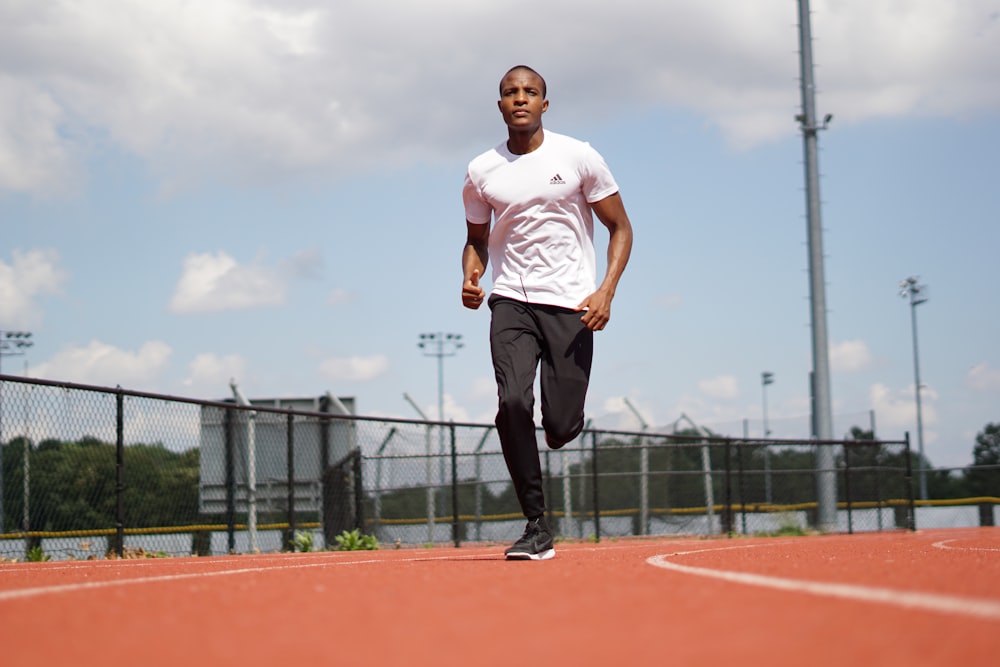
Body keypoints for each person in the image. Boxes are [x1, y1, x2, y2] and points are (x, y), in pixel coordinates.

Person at [461, 65, 634, 560]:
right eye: (510, 93)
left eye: (530, 92)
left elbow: (621, 228)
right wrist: (472, 277)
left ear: (544, 103)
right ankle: (536, 525)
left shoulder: (578, 156)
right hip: (511, 300)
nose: (520, 99)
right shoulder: (480, 171)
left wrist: (606, 292)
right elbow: (475, 240)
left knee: (558, 427)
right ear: (499, 105)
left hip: (571, 305)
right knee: (512, 402)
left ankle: (566, 422)